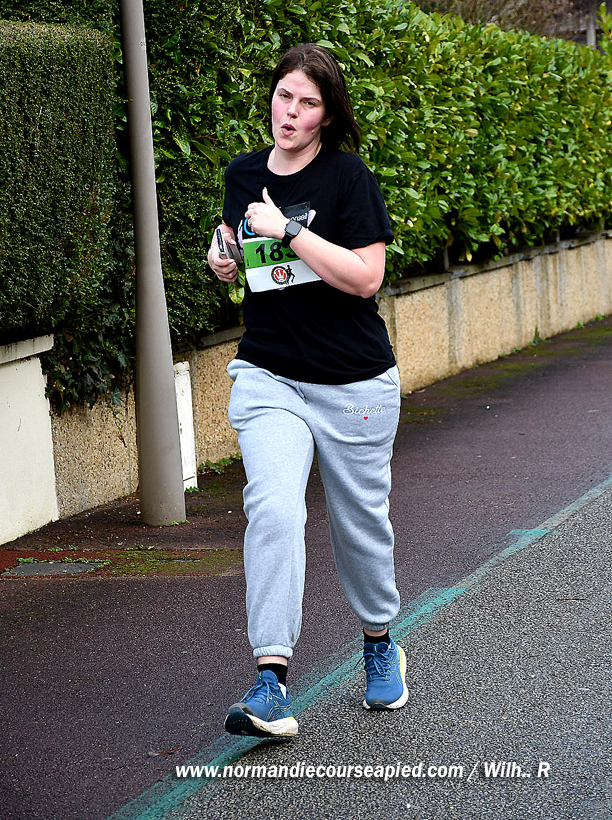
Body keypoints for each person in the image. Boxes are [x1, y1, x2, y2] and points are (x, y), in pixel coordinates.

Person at [207, 43, 408, 739]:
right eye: (283, 96)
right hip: (269, 374)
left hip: (354, 381)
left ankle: (379, 641)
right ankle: (271, 682)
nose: (290, 112)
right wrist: (223, 256)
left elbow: (365, 277)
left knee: (359, 526)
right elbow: (237, 245)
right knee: (272, 508)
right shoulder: (242, 174)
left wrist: (289, 230)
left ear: (326, 115)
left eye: (308, 103)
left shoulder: (348, 179)